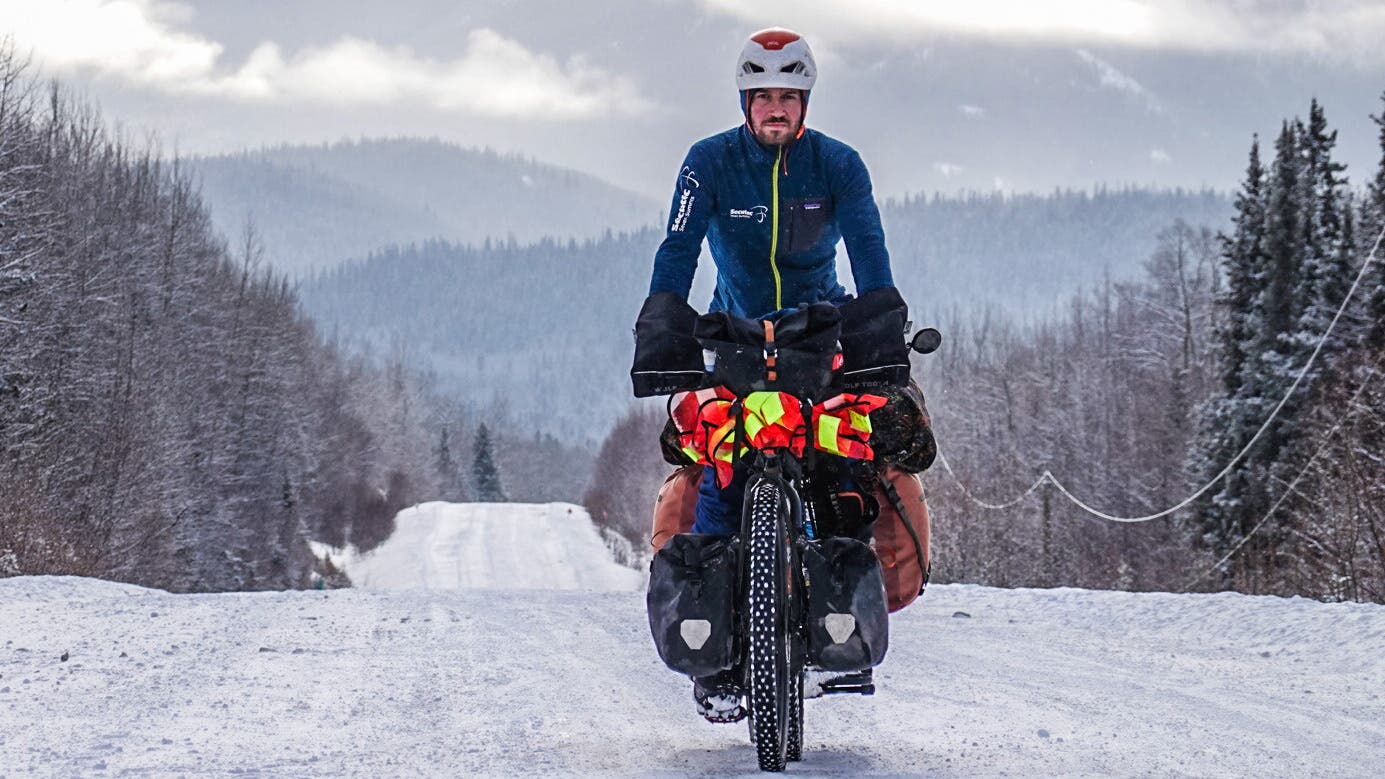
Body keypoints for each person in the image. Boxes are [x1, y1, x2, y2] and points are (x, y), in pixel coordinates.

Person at [643, 27, 929, 723]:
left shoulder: (838, 164)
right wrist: (663, 320)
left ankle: (843, 628)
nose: (775, 107)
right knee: (721, 464)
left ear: (805, 102)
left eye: (788, 96)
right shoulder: (708, 162)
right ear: (745, 101)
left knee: (843, 460)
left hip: (819, 333)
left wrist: (877, 321)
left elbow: (868, 248)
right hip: (734, 332)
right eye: (763, 95)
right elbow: (678, 247)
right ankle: (712, 653)